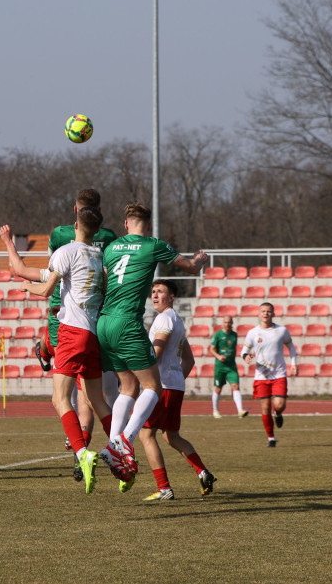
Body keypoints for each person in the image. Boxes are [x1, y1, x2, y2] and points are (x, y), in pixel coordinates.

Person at [1, 207, 118, 494]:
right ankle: (122, 452)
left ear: (75, 223)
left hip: (71, 333)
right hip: (92, 333)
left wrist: (29, 287)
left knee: (59, 398)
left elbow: (44, 289)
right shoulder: (98, 257)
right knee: (97, 401)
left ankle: (82, 453)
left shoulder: (65, 251)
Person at [98, 202, 210, 486]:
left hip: (104, 322)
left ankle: (113, 444)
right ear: (147, 226)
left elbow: (105, 281)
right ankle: (124, 441)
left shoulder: (110, 248)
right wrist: (200, 260)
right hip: (127, 321)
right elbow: (189, 266)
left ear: (125, 224)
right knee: (152, 386)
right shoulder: (152, 245)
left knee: (128, 386)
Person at [135, 280, 216, 501]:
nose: (155, 295)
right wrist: (177, 378)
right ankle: (202, 472)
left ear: (172, 297)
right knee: (171, 436)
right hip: (174, 385)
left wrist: (137, 370)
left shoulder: (163, 319)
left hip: (161, 385)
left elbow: (157, 351)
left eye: (160, 292)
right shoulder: (177, 321)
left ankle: (164, 488)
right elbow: (189, 360)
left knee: (145, 433)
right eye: (152, 291)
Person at [241, 302, 298, 447]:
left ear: (273, 313)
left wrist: (294, 363)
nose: (266, 313)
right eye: (263, 311)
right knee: (265, 408)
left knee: (279, 404)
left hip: (279, 374)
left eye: (268, 311)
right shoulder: (253, 333)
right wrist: (246, 357)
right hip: (261, 376)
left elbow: (291, 346)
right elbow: (244, 350)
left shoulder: (282, 330)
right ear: (259, 314)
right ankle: (271, 438)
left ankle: (278, 413)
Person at [209, 315, 248, 419]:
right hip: (220, 367)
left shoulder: (234, 335)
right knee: (218, 388)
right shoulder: (218, 335)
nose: (227, 324)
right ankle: (215, 411)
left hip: (231, 366)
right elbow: (212, 348)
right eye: (226, 322)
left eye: (229, 322)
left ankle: (240, 411)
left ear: (232, 323)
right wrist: (218, 356)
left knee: (235, 386)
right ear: (223, 323)